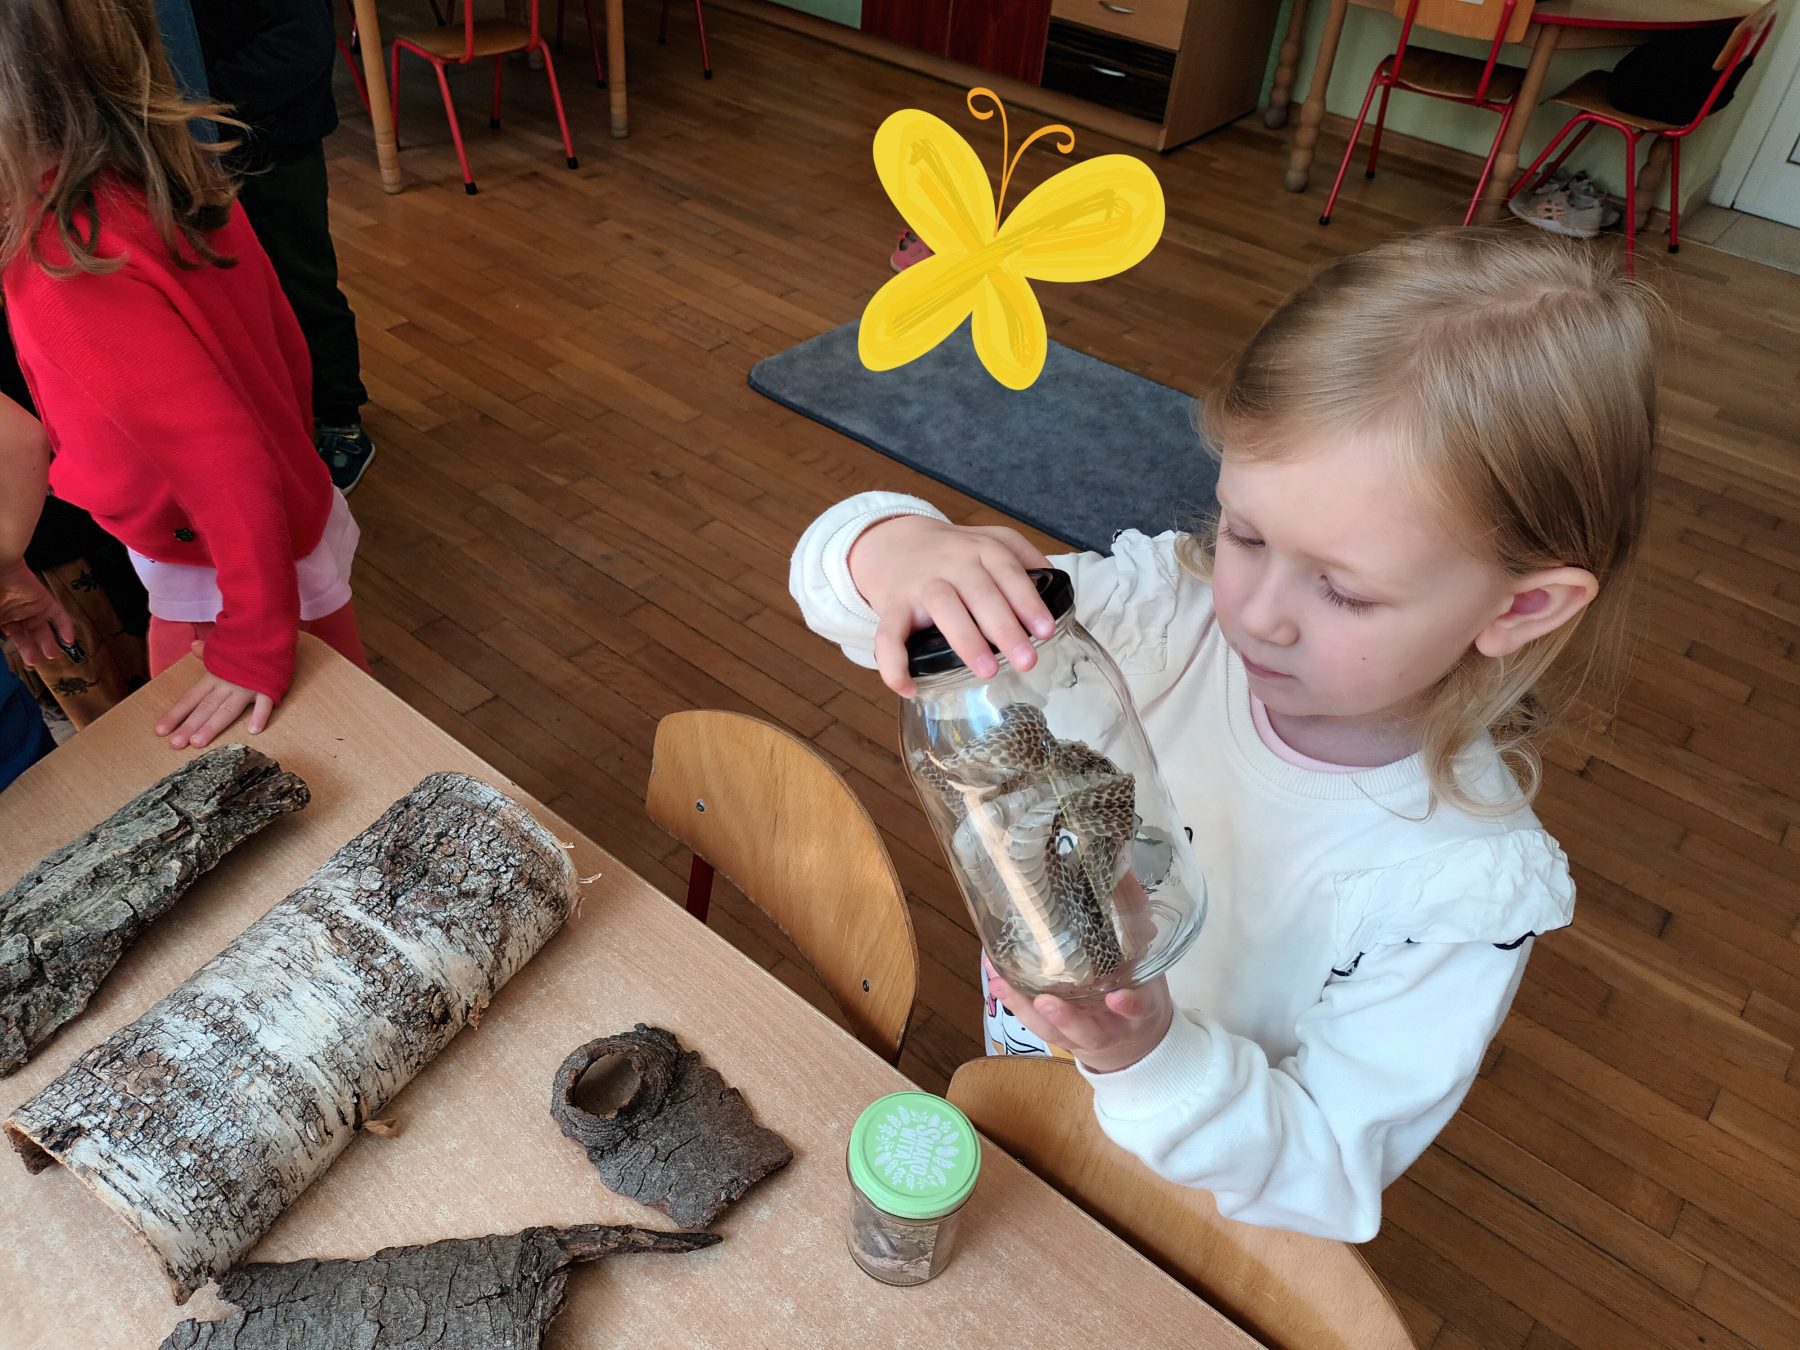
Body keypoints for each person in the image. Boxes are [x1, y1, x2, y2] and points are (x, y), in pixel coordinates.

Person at [789, 228, 1662, 1240]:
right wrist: (902, 552)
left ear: (1521, 607)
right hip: (1021, 1092)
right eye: (1244, 533)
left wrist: (1148, 1059)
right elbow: (850, 600)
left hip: (1187, 1212)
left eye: (1344, 590)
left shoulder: (1459, 890)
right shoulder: (1166, 613)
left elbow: (1326, 1175)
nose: (1256, 612)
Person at [0, 0, 370, 751]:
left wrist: (252, 641)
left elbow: (223, 458)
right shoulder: (155, 174)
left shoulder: (69, 261)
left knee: (297, 757)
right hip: (264, 535)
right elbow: (283, 349)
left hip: (218, 571)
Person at [190, 0, 375, 492]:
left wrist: (202, 100)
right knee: (221, 289)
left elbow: (302, 46)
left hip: (276, 145)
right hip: (196, 143)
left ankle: (341, 420)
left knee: (303, 283)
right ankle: (267, 407)